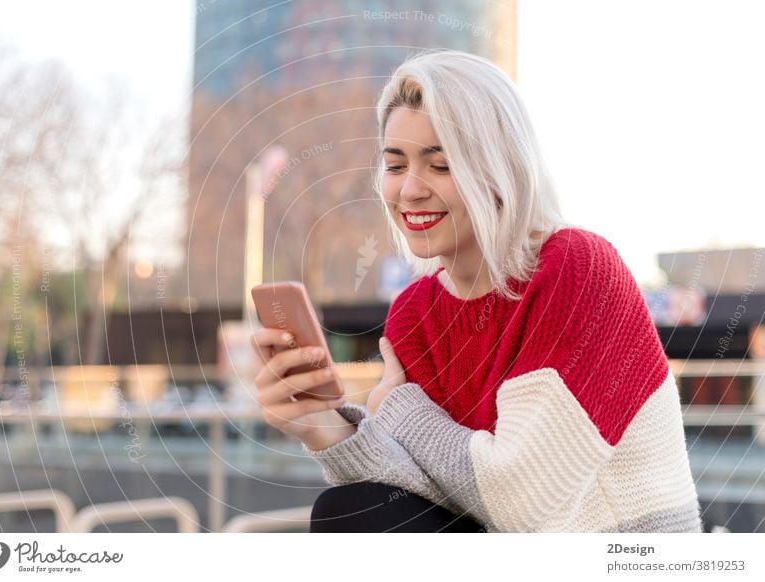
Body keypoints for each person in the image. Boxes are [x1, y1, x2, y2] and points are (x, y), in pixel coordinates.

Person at [250, 49, 703, 533]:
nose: (409, 191)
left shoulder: (577, 268)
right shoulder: (414, 313)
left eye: (441, 165)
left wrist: (398, 407)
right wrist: (321, 426)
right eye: (396, 165)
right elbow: (433, 491)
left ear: (500, 167)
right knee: (353, 509)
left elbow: (523, 502)